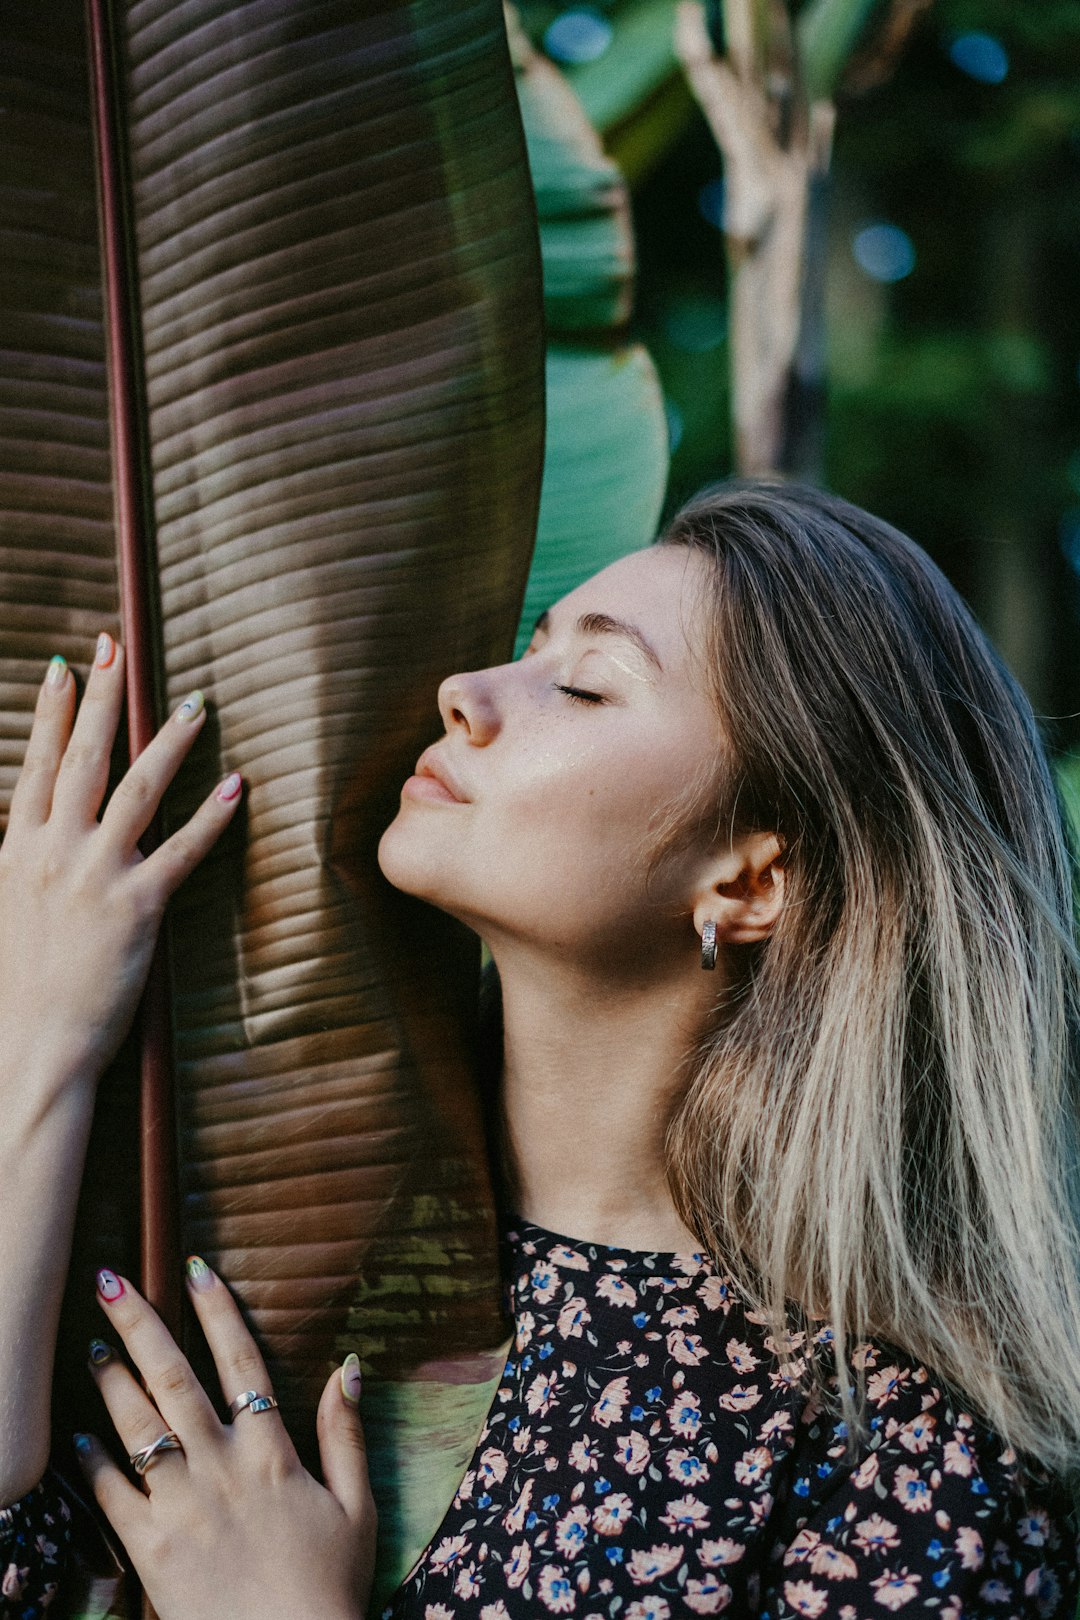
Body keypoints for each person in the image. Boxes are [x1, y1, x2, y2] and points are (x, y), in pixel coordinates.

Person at [2, 479, 1079, 1620]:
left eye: (584, 683)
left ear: (752, 879)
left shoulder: (907, 1457)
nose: (463, 692)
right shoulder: (258, 1199)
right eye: (531, 647)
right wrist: (38, 1040)